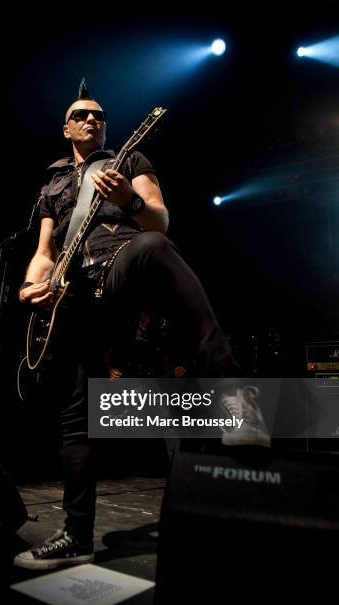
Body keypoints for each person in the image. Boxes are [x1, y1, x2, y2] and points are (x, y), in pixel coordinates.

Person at [14, 80, 269, 570]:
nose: (92, 120)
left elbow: (159, 222)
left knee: (154, 247)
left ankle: (238, 393)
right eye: (82, 115)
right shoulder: (51, 184)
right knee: (77, 412)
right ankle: (76, 535)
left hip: (122, 264)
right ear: (65, 126)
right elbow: (44, 254)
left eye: (99, 115)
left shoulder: (129, 160)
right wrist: (33, 287)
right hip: (75, 295)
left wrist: (130, 201)